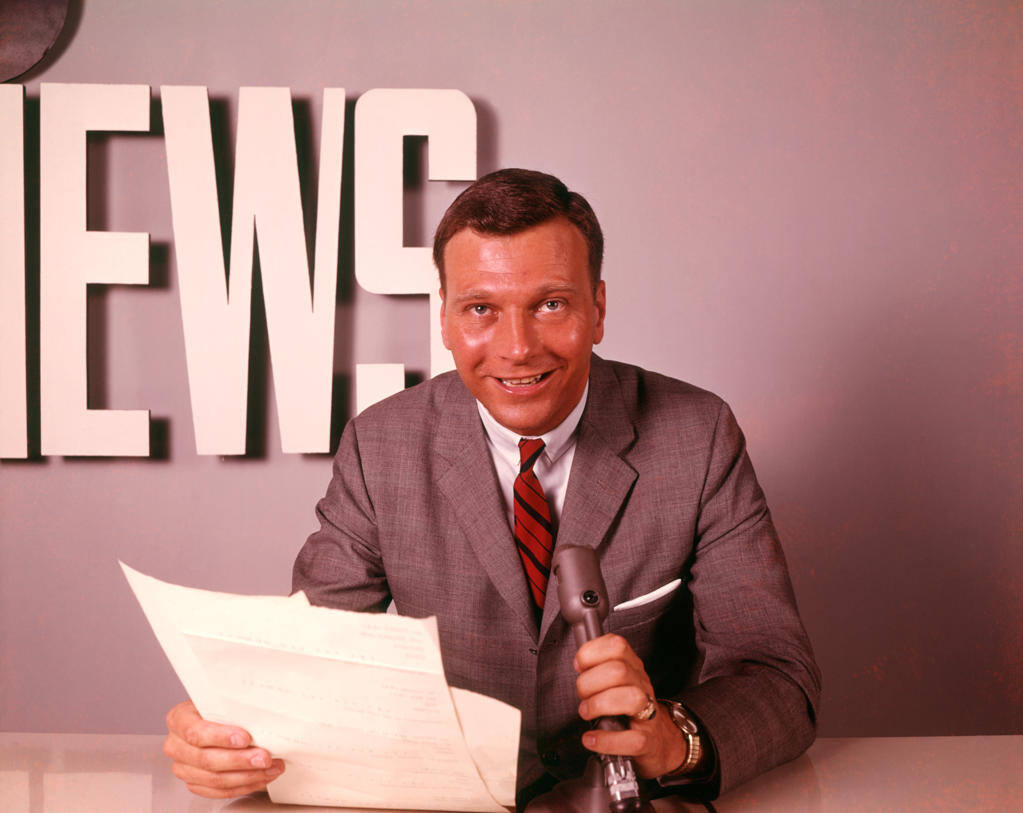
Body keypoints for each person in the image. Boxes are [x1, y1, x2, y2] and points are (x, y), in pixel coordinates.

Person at [164, 169, 821, 807]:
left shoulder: (695, 436)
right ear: (445, 320)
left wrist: (670, 738)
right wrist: (229, 735)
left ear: (597, 309)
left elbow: (778, 681)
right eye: (481, 308)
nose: (516, 347)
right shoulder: (380, 444)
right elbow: (314, 666)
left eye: (551, 304)